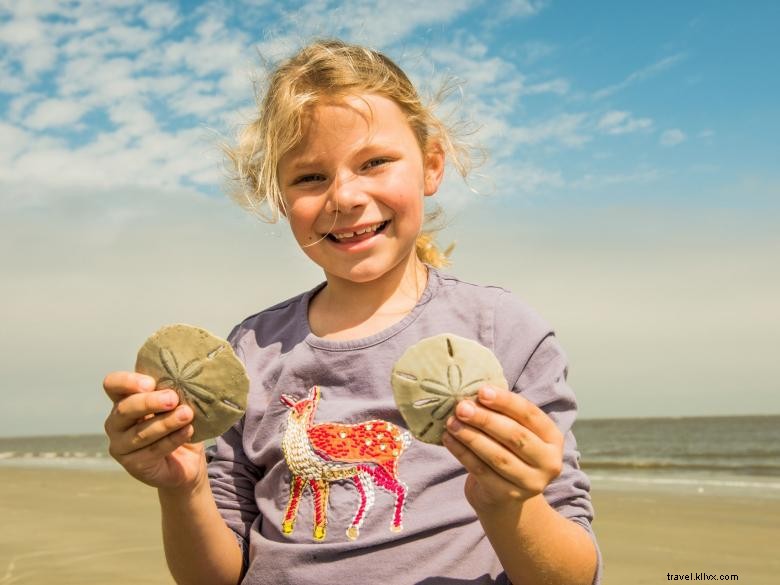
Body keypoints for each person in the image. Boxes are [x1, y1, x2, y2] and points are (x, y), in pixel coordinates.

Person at [103, 39, 601, 585]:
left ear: (431, 166)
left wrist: (509, 504)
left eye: (375, 163)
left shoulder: (501, 332)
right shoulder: (252, 351)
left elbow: (571, 574)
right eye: (309, 177)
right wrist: (183, 487)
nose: (344, 196)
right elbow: (214, 576)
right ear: (278, 196)